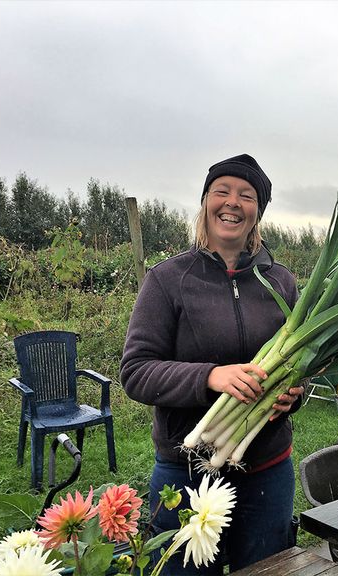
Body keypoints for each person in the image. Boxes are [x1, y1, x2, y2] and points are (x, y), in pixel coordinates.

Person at [121, 153, 304, 574]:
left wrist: (293, 396)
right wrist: (209, 377)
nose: (232, 202)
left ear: (258, 211)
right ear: (205, 201)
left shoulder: (281, 281)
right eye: (221, 191)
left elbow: (299, 368)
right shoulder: (167, 279)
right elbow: (136, 371)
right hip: (187, 470)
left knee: (267, 569)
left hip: (267, 470)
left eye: (247, 195)